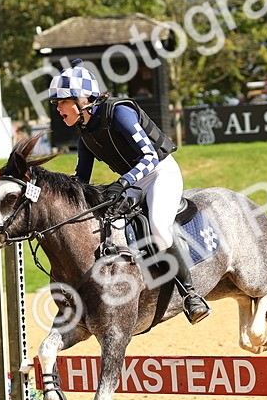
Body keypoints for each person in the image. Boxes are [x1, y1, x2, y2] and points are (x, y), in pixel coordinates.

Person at [48, 59, 210, 324]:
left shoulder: (119, 113)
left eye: (62, 102)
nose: (58, 109)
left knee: (158, 226)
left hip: (160, 174)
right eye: (57, 104)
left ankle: (191, 295)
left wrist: (123, 183)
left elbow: (149, 157)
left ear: (81, 98)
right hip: (133, 182)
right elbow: (80, 181)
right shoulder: (85, 134)